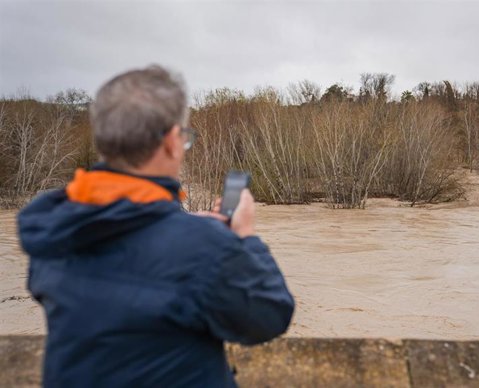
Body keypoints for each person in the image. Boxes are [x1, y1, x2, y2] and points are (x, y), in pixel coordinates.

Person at [17, 65, 294, 387]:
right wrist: (243, 238)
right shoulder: (203, 246)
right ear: (171, 143)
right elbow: (269, 316)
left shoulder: (55, 227)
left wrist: (187, 228)